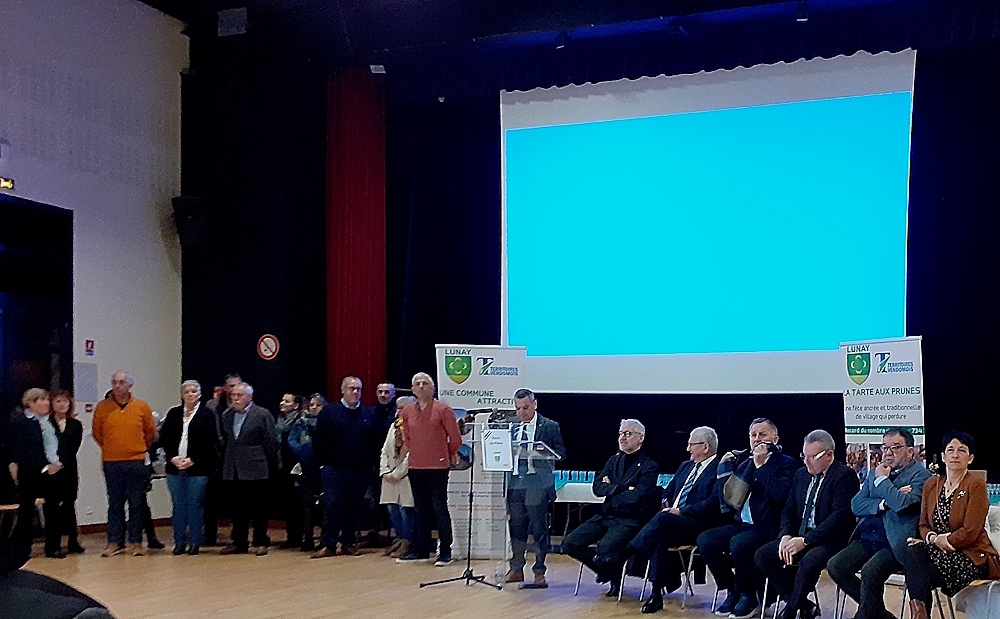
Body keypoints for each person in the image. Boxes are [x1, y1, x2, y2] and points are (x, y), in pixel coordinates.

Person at [594, 426, 727, 613]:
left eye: (691, 445)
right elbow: (667, 491)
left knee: (662, 521)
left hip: (698, 523)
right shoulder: (685, 466)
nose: (687, 449)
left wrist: (680, 511)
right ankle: (656, 594)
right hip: (671, 521)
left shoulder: (719, 469)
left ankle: (623, 556)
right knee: (659, 535)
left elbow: (713, 503)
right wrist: (666, 505)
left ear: (705, 447)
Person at [698, 417, 799, 619]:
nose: (757, 439)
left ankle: (749, 595)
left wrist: (761, 467)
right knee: (706, 540)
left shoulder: (787, 463)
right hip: (743, 523)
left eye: (762, 434)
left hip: (769, 525)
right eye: (753, 435)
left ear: (775, 439)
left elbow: (781, 495)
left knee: (740, 543)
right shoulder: (743, 461)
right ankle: (732, 588)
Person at [827, 427, 933, 619]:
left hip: (895, 542)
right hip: (869, 537)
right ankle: (880, 614)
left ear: (910, 451)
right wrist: (884, 502)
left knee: (870, 572)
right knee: (836, 566)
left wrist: (883, 481)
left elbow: (901, 504)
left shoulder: (921, 476)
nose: (888, 453)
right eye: (885, 447)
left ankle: (865, 615)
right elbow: (856, 505)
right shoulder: (874, 472)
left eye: (895, 447)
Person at [754, 430, 859, 619]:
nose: (806, 462)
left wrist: (805, 541)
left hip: (830, 539)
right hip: (800, 535)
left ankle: (790, 611)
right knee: (764, 555)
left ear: (829, 455)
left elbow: (839, 518)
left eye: (812, 457)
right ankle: (800, 603)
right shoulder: (801, 474)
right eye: (804, 456)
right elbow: (788, 509)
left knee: (810, 561)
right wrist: (785, 535)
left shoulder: (845, 476)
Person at [901, 431, 1000, 619]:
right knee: (913, 552)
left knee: (919, 574)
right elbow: (923, 525)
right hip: (938, 551)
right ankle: (920, 613)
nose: (955, 455)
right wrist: (933, 538)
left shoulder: (976, 486)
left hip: (970, 555)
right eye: (950, 450)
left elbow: (971, 531)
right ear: (943, 456)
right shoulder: (931, 485)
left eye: (961, 450)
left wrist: (945, 541)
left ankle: (919, 614)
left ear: (970, 458)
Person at [562, 419, 660, 597]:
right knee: (569, 543)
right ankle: (604, 570)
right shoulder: (613, 461)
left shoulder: (649, 467)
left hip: (629, 519)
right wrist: (622, 488)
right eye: (621, 434)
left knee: (607, 546)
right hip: (606, 515)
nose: (622, 438)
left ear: (641, 438)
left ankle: (613, 578)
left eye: (628, 434)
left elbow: (638, 496)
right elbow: (597, 487)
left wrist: (612, 489)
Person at [395, 372, 463, 566]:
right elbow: (407, 437)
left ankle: (445, 552)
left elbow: (455, 438)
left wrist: (444, 452)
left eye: (425, 383)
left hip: (438, 467)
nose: (421, 386)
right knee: (420, 510)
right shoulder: (407, 411)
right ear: (412, 389)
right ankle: (422, 551)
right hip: (416, 466)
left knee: (439, 508)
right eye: (417, 384)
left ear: (433, 388)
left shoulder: (443, 410)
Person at [504, 388, 566, 589]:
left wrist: (542, 453)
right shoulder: (510, 426)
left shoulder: (549, 426)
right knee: (516, 527)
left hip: (537, 483)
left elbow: (561, 454)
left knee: (539, 529)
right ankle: (516, 569)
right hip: (515, 483)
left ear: (534, 404)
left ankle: (539, 571)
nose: (521, 412)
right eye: (517, 408)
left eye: (525, 408)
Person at [311, 376, 377, 558]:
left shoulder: (368, 413)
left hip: (360, 470)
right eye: (351, 388)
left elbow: (373, 442)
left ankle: (348, 543)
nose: (355, 392)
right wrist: (324, 462)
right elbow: (319, 440)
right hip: (334, 469)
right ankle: (328, 544)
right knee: (332, 506)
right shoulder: (329, 412)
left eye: (358, 389)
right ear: (342, 390)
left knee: (354, 507)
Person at [92, 372, 156, 557]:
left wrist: (138, 448)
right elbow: (97, 433)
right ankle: (115, 542)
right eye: (114, 382)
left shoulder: (142, 406)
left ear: (130, 386)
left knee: (136, 503)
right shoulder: (102, 407)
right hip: (111, 461)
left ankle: (136, 542)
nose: (117, 386)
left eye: (121, 382)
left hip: (136, 460)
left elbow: (150, 432)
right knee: (115, 503)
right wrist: (112, 448)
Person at [160, 380, 220, 556]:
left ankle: (194, 542)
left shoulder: (207, 414)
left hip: (198, 468)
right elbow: (165, 438)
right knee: (178, 505)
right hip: (175, 467)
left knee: (194, 505)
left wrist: (192, 459)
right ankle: (179, 542)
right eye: (187, 392)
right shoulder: (173, 413)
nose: (191, 394)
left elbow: (210, 441)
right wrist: (173, 458)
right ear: (182, 395)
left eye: (194, 391)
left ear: (200, 394)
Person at [220, 382, 280, 556]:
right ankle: (239, 542)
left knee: (259, 508)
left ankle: (260, 541)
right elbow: (224, 440)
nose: (235, 398)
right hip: (233, 469)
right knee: (237, 508)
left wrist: (263, 459)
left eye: (239, 395)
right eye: (233, 395)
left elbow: (271, 442)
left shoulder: (262, 414)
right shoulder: (227, 415)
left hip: (256, 468)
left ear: (250, 397)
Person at [7, 389, 62, 558]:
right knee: (26, 510)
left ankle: (53, 547)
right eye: (42, 400)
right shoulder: (21, 423)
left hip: (52, 471)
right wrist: (44, 465)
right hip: (30, 472)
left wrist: (57, 464)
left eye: (47, 400)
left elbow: (58, 444)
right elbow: (22, 450)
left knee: (53, 508)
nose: (47, 403)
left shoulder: (50, 422)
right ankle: (22, 548)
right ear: (30, 403)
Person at [203, 373, 241, 546]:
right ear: (225, 388)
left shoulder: (245, 406)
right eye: (231, 386)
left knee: (236, 499)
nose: (234, 390)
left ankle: (238, 535)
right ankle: (210, 534)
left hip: (237, 459)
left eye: (238, 385)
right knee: (211, 498)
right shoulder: (213, 405)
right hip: (216, 459)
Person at [48, 389, 84, 555]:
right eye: (58, 401)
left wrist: (61, 462)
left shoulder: (75, 424)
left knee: (69, 505)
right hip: (51, 470)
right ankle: (53, 545)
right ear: (52, 404)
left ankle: (73, 542)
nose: (62, 404)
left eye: (65, 401)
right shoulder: (46, 424)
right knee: (53, 507)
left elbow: (73, 447)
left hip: (68, 469)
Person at [380, 395, 416, 559]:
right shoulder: (394, 426)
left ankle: (407, 542)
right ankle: (399, 539)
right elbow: (385, 450)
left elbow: (412, 454)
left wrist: (397, 473)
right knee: (391, 508)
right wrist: (385, 470)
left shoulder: (415, 426)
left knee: (405, 510)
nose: (398, 411)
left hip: (405, 475)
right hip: (389, 475)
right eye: (397, 407)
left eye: (402, 408)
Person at [289, 396, 322, 551]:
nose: (313, 408)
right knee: (306, 505)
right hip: (304, 468)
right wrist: (302, 451)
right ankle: (307, 537)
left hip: (322, 467)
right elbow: (292, 440)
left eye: (317, 405)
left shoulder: (325, 422)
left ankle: (325, 537)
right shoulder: (300, 423)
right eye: (311, 405)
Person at [276, 393, 305, 549]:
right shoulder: (279, 421)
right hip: (282, 466)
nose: (282, 403)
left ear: (296, 406)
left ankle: (298, 536)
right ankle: (290, 536)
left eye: (287, 401)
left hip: (296, 466)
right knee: (286, 502)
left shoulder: (300, 422)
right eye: (282, 400)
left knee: (297, 503)